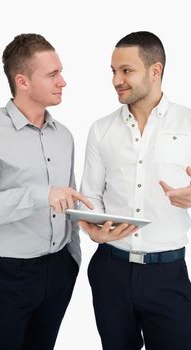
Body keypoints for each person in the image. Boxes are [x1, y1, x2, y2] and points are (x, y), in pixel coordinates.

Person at [0, 33, 93, 350]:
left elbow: (68, 198)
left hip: (59, 269)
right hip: (8, 276)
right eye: (52, 74)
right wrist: (38, 195)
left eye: (61, 71)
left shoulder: (64, 136)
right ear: (23, 81)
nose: (63, 81)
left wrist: (73, 257)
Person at [79, 31, 191, 350]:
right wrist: (94, 229)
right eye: (113, 71)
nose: (117, 80)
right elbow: (91, 197)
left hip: (168, 274)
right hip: (109, 270)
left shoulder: (188, 123)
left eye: (126, 71)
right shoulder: (101, 130)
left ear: (155, 70)